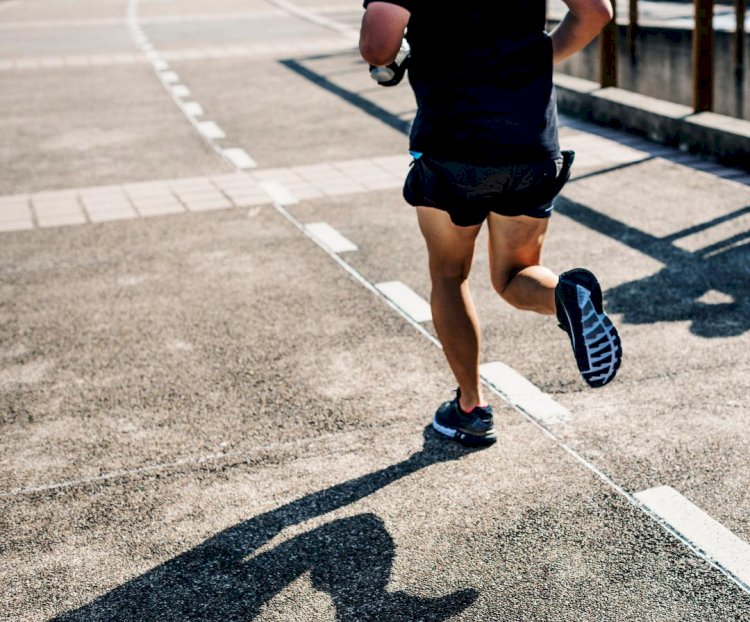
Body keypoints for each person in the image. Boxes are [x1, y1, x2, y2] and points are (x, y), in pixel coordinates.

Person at [359, 0, 622, 446]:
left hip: (452, 144)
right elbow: (596, 11)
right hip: (530, 141)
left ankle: (471, 408)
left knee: (449, 274)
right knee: (515, 274)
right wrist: (537, 58)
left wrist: (394, 57)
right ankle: (564, 296)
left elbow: (378, 43)